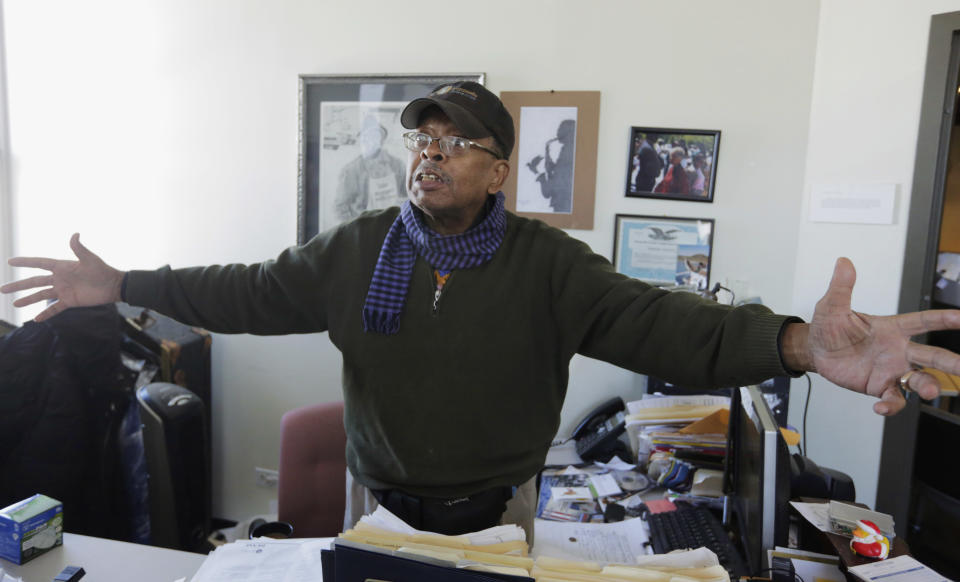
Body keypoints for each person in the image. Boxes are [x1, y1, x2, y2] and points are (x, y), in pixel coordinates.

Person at [3, 81, 959, 541]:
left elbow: (672, 326)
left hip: (502, 511)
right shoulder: (358, 247)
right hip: (370, 501)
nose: (430, 153)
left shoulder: (549, 266)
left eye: (456, 142)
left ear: (501, 169)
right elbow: (248, 290)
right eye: (422, 138)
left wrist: (797, 343)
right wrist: (124, 283)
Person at [333, 115, 406, 222]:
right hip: (363, 228)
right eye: (365, 136)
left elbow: (409, 197)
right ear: (360, 140)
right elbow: (340, 207)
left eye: (374, 136)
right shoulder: (351, 170)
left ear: (381, 140)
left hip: (394, 226)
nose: (369, 141)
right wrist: (352, 230)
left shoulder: (398, 165)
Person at [526, 118, 575, 212]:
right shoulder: (567, 150)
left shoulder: (568, 152)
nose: (557, 132)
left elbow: (548, 192)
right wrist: (548, 156)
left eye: (560, 129)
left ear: (568, 132)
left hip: (562, 204)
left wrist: (536, 172)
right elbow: (558, 171)